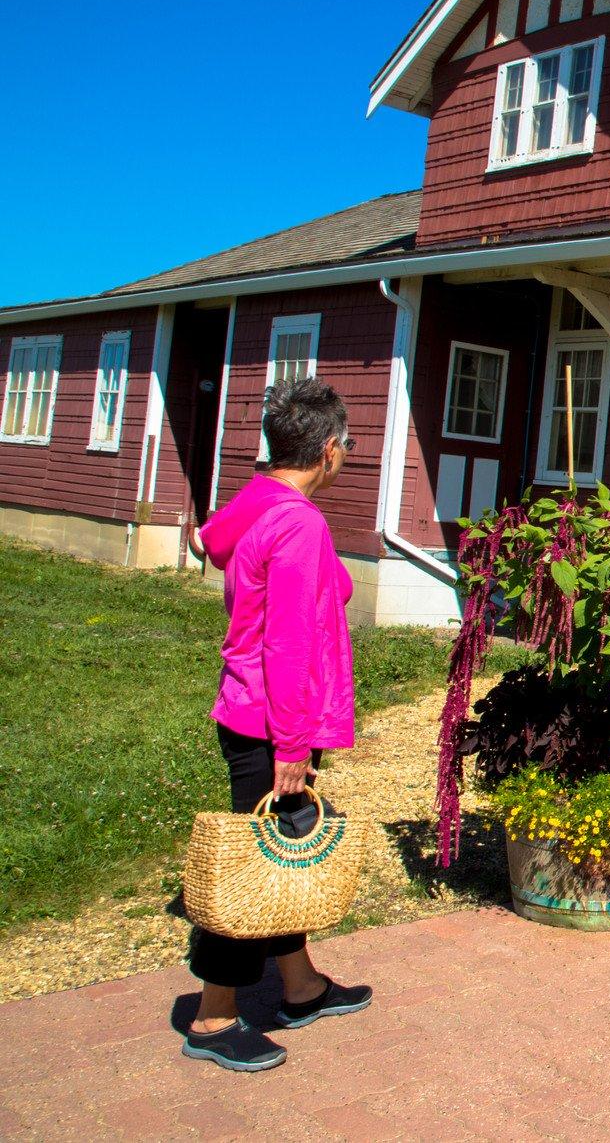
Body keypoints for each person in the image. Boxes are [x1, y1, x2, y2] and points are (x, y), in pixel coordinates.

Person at [181, 377, 372, 1072]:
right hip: (271, 718)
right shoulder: (297, 521)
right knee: (253, 864)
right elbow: (288, 639)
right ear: (327, 450)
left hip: (253, 708)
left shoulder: (257, 501)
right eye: (348, 445)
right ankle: (213, 1015)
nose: (347, 455)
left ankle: (301, 985)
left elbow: (223, 548)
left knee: (283, 848)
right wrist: (293, 743)